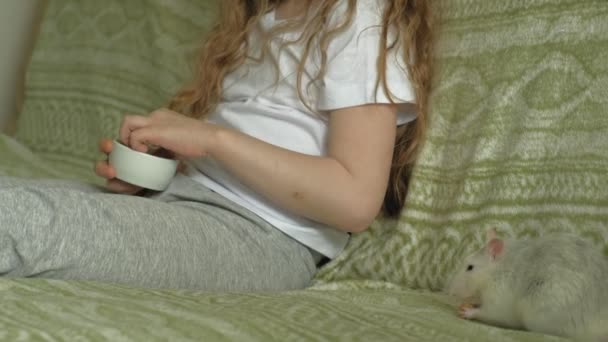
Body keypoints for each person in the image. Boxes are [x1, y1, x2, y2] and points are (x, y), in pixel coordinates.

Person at [0, 0, 433, 291]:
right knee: (14, 197)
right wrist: (161, 170)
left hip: (259, 236)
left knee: (26, 222)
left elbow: (354, 199)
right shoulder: (265, 18)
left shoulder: (359, 16)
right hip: (185, 203)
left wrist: (210, 139)